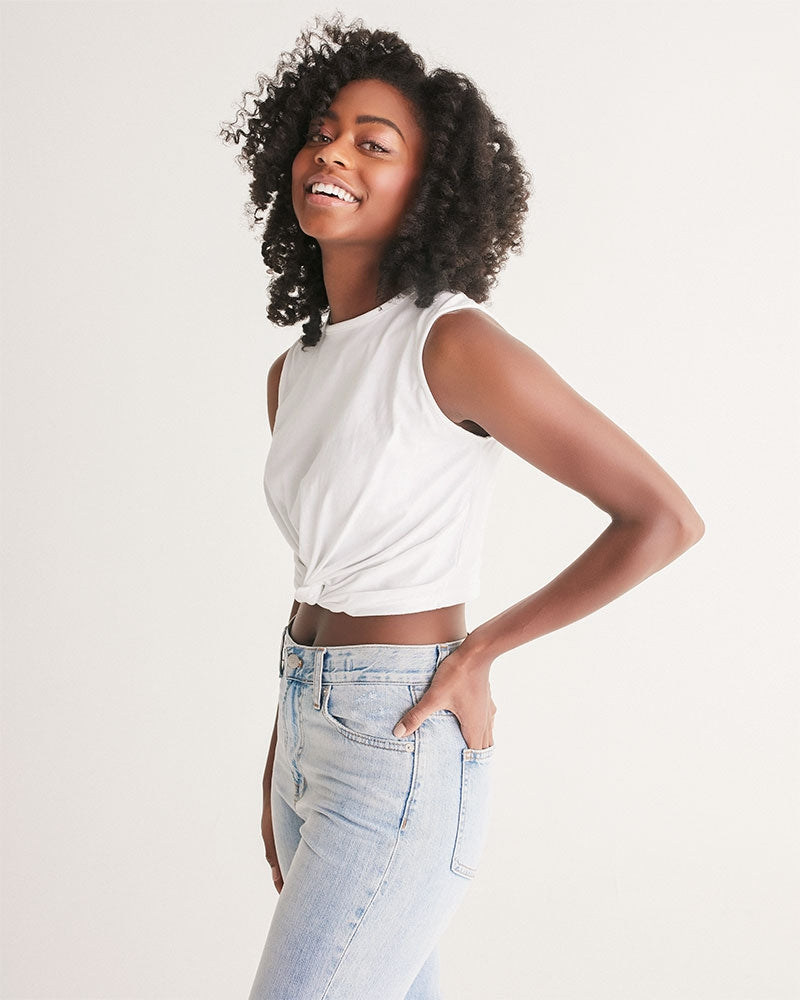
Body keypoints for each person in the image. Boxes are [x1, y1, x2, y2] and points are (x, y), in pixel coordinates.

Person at [219, 14, 705, 1000]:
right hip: (308, 726)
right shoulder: (293, 372)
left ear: (422, 192)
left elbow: (659, 516)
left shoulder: (448, 344)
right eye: (323, 130)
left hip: (395, 738)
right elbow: (324, 568)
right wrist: (284, 734)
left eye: (373, 144)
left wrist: (476, 652)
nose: (333, 153)